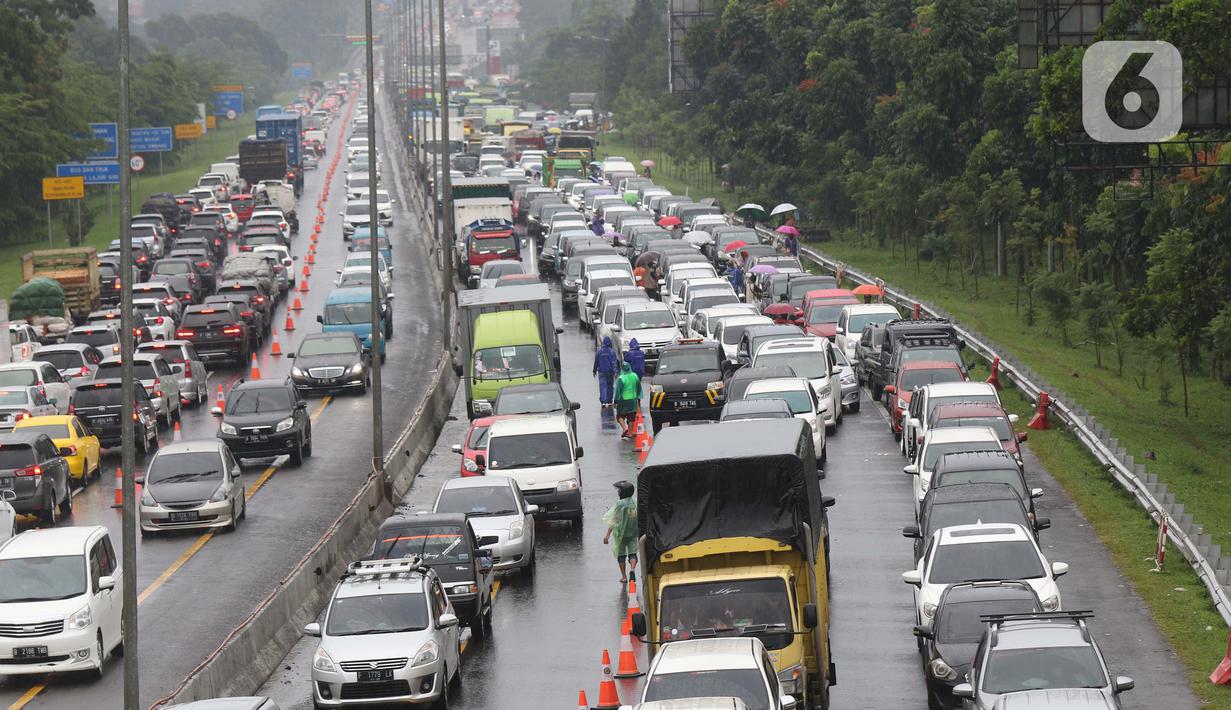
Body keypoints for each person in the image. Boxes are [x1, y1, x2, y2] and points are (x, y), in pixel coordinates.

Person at [602, 480, 638, 582]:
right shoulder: (635, 502)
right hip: (632, 533)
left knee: (621, 555)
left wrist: (607, 535)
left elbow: (614, 519)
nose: (618, 492)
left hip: (620, 534)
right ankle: (632, 569)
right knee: (633, 553)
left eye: (619, 490)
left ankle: (624, 576)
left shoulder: (620, 504)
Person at [614, 361, 641, 437]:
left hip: (623, 400)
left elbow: (618, 391)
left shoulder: (621, 378)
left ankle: (625, 428)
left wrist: (616, 401)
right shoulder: (635, 376)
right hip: (633, 400)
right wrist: (638, 397)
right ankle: (630, 433)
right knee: (631, 417)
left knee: (620, 416)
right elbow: (639, 387)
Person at [593, 336, 619, 407]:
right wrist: (616, 372)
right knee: (610, 387)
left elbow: (596, 362)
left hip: (602, 372)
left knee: (603, 387)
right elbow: (614, 363)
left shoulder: (599, 352)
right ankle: (609, 401)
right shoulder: (612, 352)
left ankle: (603, 402)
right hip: (610, 372)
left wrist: (594, 371)